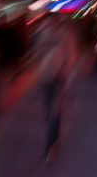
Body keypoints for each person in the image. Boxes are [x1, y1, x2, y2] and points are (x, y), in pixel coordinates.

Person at [36, 22, 74, 163]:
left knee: (54, 112)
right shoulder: (44, 33)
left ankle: (49, 149)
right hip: (45, 78)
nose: (52, 25)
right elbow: (38, 53)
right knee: (49, 113)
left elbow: (70, 56)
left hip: (58, 79)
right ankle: (55, 139)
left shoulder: (66, 36)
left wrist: (65, 75)